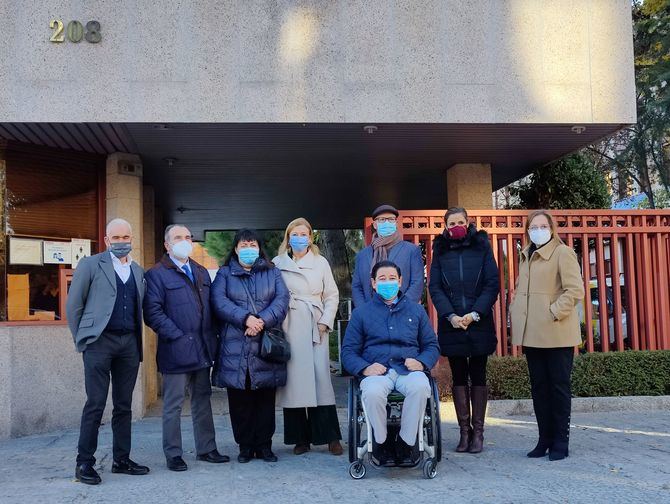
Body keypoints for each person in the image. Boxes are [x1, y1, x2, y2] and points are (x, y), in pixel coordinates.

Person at [66, 218, 150, 485]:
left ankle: (121, 460)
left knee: (124, 406)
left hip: (128, 344)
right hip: (99, 343)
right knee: (95, 403)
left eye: (126, 237)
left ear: (132, 239)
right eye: (116, 238)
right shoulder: (91, 265)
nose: (122, 242)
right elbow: (74, 306)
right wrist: (83, 340)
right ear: (106, 240)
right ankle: (84, 463)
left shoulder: (138, 271)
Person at [144, 224, 229, 472]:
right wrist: (179, 337)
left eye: (188, 237)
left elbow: (211, 310)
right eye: (178, 237)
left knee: (203, 400)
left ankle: (207, 449)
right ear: (167, 245)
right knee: (173, 404)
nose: (185, 241)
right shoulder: (156, 275)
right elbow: (152, 313)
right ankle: (173, 454)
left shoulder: (201, 271)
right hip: (176, 349)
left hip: (202, 349)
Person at [341, 260, 440, 467]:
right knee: (372, 392)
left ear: (400, 281)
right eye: (382, 279)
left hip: (408, 369)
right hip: (376, 370)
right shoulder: (361, 314)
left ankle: (407, 441)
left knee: (421, 387)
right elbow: (348, 352)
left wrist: (421, 363)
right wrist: (365, 368)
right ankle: (381, 441)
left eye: (392, 279)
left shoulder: (416, 311)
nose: (388, 283)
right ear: (374, 283)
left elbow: (432, 345)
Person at [510, 210, 584, 461]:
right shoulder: (526, 255)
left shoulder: (563, 253)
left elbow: (575, 290)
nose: (538, 230)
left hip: (557, 332)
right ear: (527, 230)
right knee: (539, 388)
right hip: (532, 334)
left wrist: (553, 312)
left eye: (543, 225)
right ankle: (544, 439)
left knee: (559, 387)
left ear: (551, 228)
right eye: (533, 226)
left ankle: (561, 442)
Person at [211, 229, 290, 463]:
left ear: (259, 248)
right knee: (240, 401)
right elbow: (219, 301)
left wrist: (262, 321)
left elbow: (282, 299)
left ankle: (265, 446)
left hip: (266, 344)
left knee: (265, 400)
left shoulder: (272, 272)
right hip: (235, 346)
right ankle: (245, 446)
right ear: (235, 249)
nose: (248, 249)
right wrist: (246, 318)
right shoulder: (224, 274)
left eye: (252, 244)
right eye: (243, 245)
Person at [428, 207, 500, 453]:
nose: (456, 225)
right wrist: (450, 315)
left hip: (479, 320)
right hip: (453, 322)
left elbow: (492, 283)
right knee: (458, 375)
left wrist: (475, 314)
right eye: (451, 222)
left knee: (478, 374)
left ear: (468, 222)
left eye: (460, 221)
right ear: (445, 226)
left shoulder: (482, 246)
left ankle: (478, 433)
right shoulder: (440, 250)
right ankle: (464, 432)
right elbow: (434, 286)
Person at [273, 218, 343, 456]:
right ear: (288, 237)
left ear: (311, 237)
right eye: (295, 233)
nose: (300, 238)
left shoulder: (321, 262)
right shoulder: (277, 263)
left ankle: (330, 436)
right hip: (289, 324)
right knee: (294, 383)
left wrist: (325, 321)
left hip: (315, 324)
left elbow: (332, 295)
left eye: (304, 234)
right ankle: (299, 438)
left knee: (321, 380)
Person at [351, 204, 424, 308]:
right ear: (375, 225)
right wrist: (364, 310)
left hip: (402, 312)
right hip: (370, 314)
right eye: (382, 220)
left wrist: (401, 307)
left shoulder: (411, 250)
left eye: (391, 219)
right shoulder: (362, 255)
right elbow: (357, 287)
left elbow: (417, 282)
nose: (387, 222)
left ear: (396, 223)